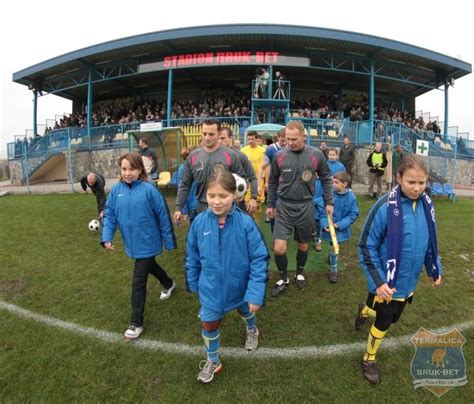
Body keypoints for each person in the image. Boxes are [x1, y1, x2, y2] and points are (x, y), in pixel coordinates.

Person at [355, 154, 443, 384]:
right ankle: (369, 358)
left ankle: (363, 310)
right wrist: (378, 282)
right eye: (411, 182)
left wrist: (434, 269)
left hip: (408, 283)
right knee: (383, 322)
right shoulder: (385, 206)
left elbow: (429, 242)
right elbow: (366, 246)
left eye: (421, 183)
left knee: (392, 318)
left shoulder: (427, 206)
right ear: (398, 178)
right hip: (386, 284)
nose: (416, 188)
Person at [186, 168, 269, 383]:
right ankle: (213, 360)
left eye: (223, 196)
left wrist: (255, 291)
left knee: (244, 310)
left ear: (234, 195)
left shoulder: (246, 223)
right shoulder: (199, 223)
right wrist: (193, 280)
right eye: (212, 195)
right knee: (209, 324)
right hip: (210, 289)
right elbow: (192, 255)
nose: (216, 201)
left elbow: (259, 258)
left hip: (239, 286)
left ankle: (252, 329)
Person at [101, 151, 176, 340]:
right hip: (132, 244)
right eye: (124, 169)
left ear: (140, 169)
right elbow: (110, 215)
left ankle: (136, 323)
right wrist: (107, 237)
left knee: (138, 282)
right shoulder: (116, 191)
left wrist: (168, 241)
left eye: (132, 169)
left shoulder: (149, 190)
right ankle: (169, 283)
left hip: (148, 242)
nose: (127, 173)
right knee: (150, 266)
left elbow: (163, 216)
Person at [266, 121, 333, 296]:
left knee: (303, 246)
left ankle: (299, 274)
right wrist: (270, 204)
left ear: (304, 136)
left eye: (294, 139)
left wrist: (329, 201)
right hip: (284, 206)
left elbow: (326, 178)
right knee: (279, 248)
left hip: (305, 206)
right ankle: (283, 278)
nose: (290, 142)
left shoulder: (316, 155)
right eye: (287, 139)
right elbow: (272, 181)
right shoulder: (279, 156)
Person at [174, 119, 246, 223]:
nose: (207, 137)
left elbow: (241, 180)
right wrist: (178, 207)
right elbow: (185, 184)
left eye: (211, 134)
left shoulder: (230, 155)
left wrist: (239, 197)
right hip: (202, 208)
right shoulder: (193, 156)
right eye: (204, 134)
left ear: (219, 133)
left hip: (226, 208)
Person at [318, 171, 359, 283]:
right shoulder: (329, 195)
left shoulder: (351, 197)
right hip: (329, 228)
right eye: (332, 182)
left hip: (341, 229)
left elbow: (353, 214)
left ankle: (333, 269)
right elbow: (322, 210)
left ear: (344, 184)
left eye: (336, 182)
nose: (333, 185)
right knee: (333, 246)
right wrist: (325, 224)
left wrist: (340, 225)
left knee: (335, 247)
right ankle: (333, 265)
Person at [218, 127, 258, 213]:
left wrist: (253, 198)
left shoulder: (240, 156)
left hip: (237, 202)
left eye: (223, 138)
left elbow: (253, 177)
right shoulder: (214, 156)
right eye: (218, 138)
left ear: (231, 138)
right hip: (218, 202)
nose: (220, 141)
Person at [241, 131, 266, 203]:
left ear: (256, 139)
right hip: (247, 180)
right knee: (246, 202)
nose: (250, 141)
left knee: (257, 204)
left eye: (252, 139)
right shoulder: (243, 151)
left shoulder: (263, 151)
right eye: (249, 139)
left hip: (259, 180)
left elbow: (265, 167)